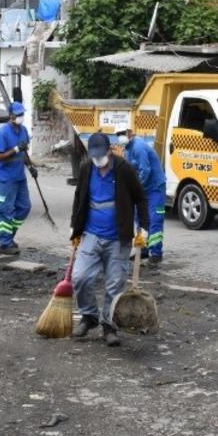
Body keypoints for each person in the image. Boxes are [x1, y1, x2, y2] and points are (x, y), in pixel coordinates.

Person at [70, 132, 148, 347]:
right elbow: (79, 197)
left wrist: (144, 228)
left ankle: (108, 326)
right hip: (91, 234)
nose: (98, 160)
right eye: (94, 155)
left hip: (117, 238)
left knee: (115, 284)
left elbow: (140, 198)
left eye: (101, 155)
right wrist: (74, 228)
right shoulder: (87, 168)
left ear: (109, 150)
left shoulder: (124, 169)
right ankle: (89, 316)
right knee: (80, 277)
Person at [115, 123, 166, 266]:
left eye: (122, 133)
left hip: (155, 188)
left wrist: (135, 188)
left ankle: (156, 254)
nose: (120, 137)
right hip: (143, 188)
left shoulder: (139, 147)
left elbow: (146, 171)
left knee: (155, 219)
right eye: (117, 134)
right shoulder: (128, 149)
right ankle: (142, 248)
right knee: (139, 218)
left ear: (130, 132)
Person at [0, 101, 36, 255]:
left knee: (24, 207)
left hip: (19, 176)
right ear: (10, 115)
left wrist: (31, 167)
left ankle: (9, 236)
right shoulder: (2, 133)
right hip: (5, 178)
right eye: (18, 114)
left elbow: (24, 154)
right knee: (5, 210)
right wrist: (16, 149)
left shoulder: (23, 130)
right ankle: (4, 243)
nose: (20, 117)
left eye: (21, 114)